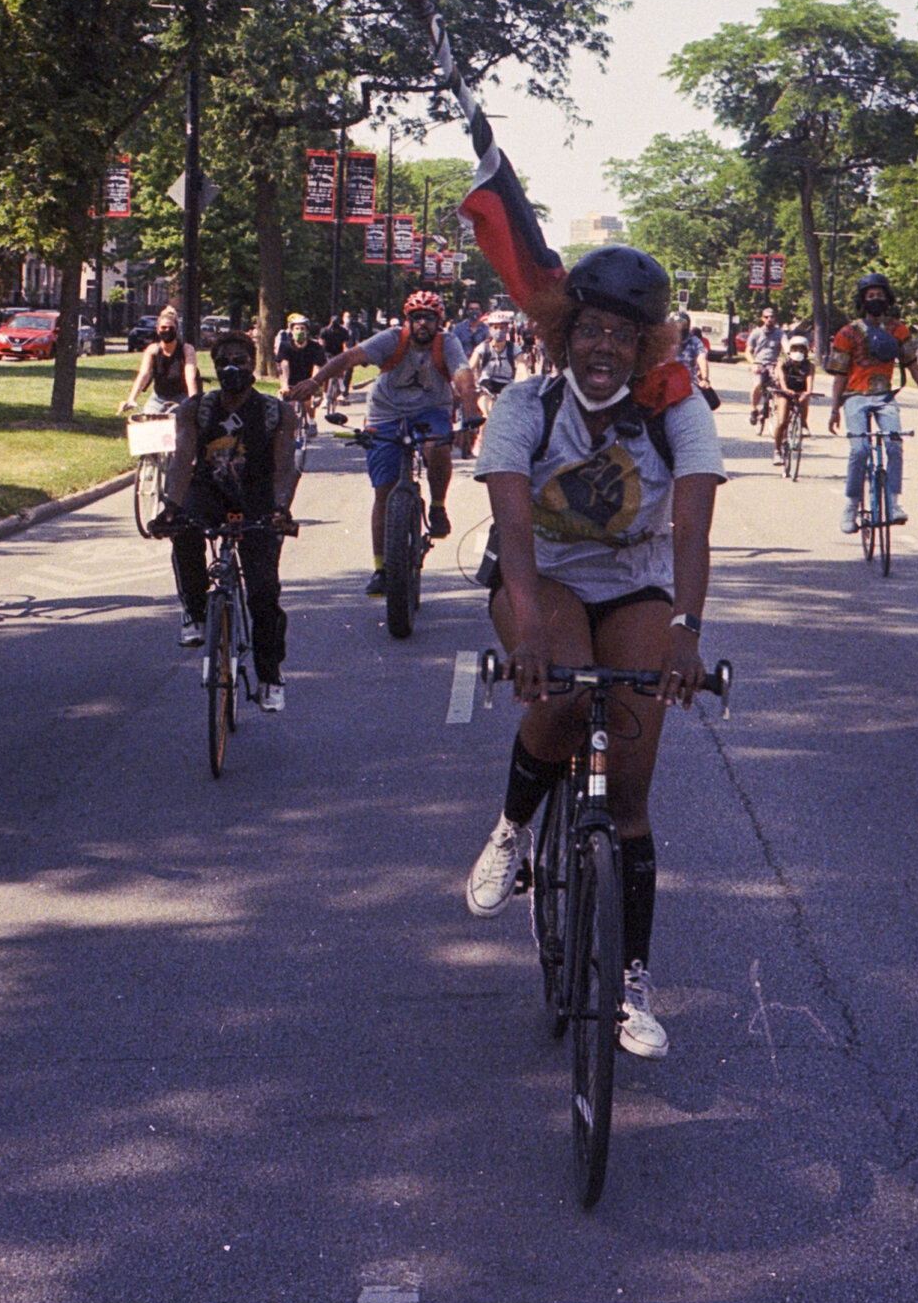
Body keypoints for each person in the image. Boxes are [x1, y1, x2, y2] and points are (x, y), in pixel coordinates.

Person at [461, 245, 724, 1060]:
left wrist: (686, 630)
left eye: (624, 334)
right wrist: (530, 629)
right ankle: (512, 825)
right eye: (590, 330)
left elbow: (691, 526)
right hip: (544, 578)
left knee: (633, 784)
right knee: (567, 696)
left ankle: (632, 983)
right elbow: (510, 527)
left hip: (634, 585)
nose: (604, 347)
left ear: (647, 346)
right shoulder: (526, 407)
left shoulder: (677, 411)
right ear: (563, 334)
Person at [287, 288, 473, 596]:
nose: (423, 324)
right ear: (407, 321)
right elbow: (349, 357)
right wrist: (315, 381)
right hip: (385, 413)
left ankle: (438, 507)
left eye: (429, 318)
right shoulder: (391, 339)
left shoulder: (448, 343)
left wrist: (470, 407)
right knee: (383, 493)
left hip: (431, 409)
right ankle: (381, 569)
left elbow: (463, 375)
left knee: (437, 445)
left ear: (439, 322)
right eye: (417, 319)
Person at [153, 330, 300, 711]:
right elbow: (182, 461)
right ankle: (196, 613)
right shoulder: (196, 409)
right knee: (184, 530)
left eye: (240, 360)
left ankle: (269, 676)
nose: (231, 368)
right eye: (223, 362)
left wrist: (281, 509)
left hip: (258, 500)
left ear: (254, 363)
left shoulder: (275, 412)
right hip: (211, 493)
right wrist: (170, 506)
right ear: (214, 367)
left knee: (264, 592)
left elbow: (285, 467)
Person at [826, 272, 918, 533]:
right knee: (859, 450)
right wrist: (834, 409)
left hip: (885, 397)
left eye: (880, 295)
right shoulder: (847, 333)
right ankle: (851, 505)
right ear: (862, 300)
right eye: (870, 296)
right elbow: (838, 376)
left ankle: (892, 501)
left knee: (894, 444)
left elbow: (913, 368)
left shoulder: (897, 330)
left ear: (888, 299)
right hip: (854, 398)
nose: (876, 300)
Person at [456, 309, 524, 457]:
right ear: (490, 328)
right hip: (485, 388)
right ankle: (481, 439)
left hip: (506, 388)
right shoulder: (482, 348)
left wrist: (523, 384)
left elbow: (522, 368)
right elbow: (469, 368)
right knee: (488, 413)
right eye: (496, 327)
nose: (499, 331)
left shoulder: (514, 348)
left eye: (503, 327)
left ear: (508, 329)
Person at [118, 307, 199, 415]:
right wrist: (131, 399)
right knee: (148, 422)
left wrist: (193, 402)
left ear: (176, 330)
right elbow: (144, 374)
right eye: (163, 327)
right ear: (157, 330)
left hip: (181, 397)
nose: (167, 330)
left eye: (171, 328)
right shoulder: (152, 350)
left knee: (179, 423)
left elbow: (190, 377)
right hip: (158, 398)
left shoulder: (186, 349)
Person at [274, 313, 327, 437]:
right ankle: (291, 433)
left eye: (302, 329)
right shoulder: (285, 346)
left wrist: (313, 383)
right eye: (296, 329)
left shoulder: (315, 347)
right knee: (289, 407)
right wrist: (284, 385)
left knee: (307, 401)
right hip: (291, 379)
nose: (299, 331)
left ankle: (312, 421)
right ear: (291, 331)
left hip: (309, 378)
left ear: (307, 331)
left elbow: (317, 367)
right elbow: (284, 365)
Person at [771, 333, 816, 465]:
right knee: (782, 421)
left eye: (801, 349)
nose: (798, 352)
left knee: (804, 399)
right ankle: (777, 451)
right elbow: (781, 379)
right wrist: (785, 389)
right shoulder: (783, 363)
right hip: (784, 392)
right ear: (789, 351)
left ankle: (803, 424)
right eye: (795, 349)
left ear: (806, 351)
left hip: (799, 390)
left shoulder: (809, 366)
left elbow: (810, 380)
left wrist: (808, 392)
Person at [744, 306, 786, 425]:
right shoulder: (756, 333)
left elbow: (786, 345)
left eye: (772, 317)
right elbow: (748, 351)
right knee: (757, 384)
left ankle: (778, 409)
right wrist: (754, 362)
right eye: (766, 317)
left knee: (780, 385)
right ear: (762, 319)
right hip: (759, 364)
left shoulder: (780, 333)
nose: (769, 319)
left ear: (775, 318)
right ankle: (754, 409)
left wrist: (790, 354)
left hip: (773, 364)